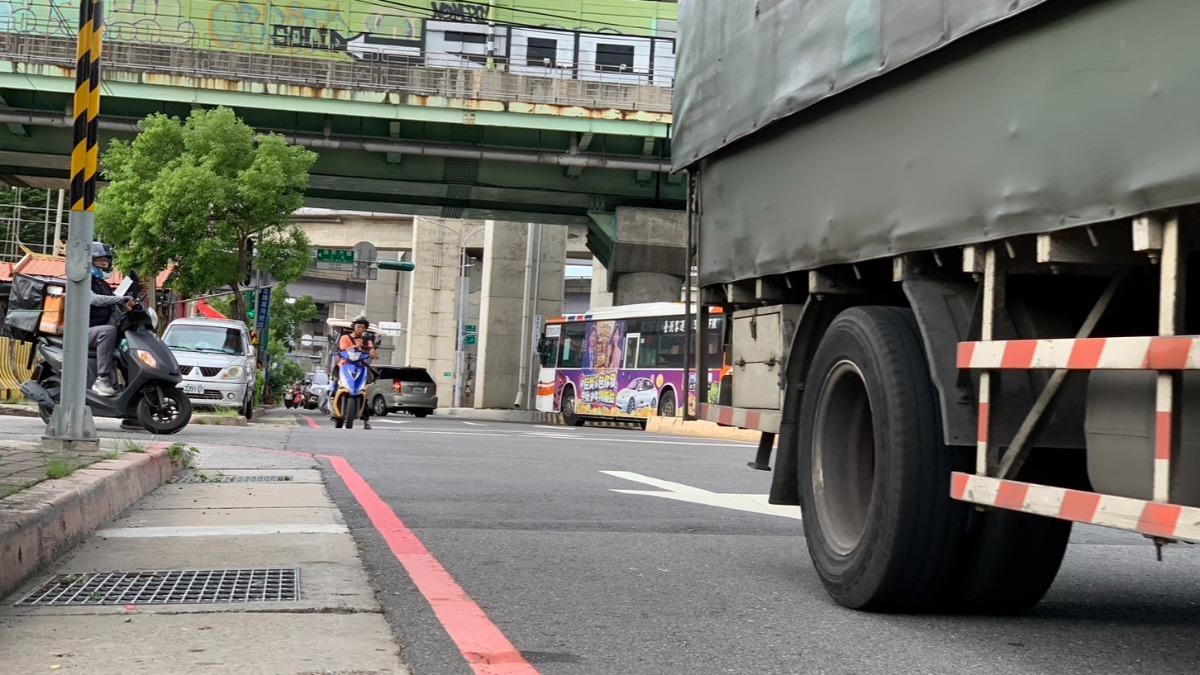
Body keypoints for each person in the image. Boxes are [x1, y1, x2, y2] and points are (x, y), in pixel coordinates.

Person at [87, 242, 133, 397]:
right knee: (108, 331)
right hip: (82, 331)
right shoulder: (83, 280)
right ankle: (102, 379)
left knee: (123, 336)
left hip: (95, 330)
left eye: (106, 260)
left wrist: (129, 303)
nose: (105, 264)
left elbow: (114, 300)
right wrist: (119, 299)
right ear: (90, 261)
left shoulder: (103, 284)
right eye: (100, 260)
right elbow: (94, 300)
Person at [337, 315, 377, 429]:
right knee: (337, 385)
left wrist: (371, 349)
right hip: (345, 366)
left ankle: (366, 420)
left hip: (361, 367)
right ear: (354, 327)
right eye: (358, 327)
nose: (360, 329)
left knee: (363, 391)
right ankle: (334, 406)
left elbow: (373, 354)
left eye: (363, 328)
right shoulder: (345, 337)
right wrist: (356, 345)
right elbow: (343, 349)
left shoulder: (367, 340)